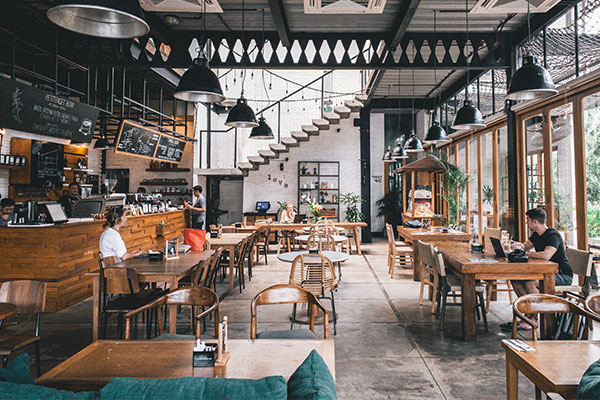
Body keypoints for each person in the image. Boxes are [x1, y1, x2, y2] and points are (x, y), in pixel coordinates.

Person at [501, 207, 573, 332]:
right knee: (516, 279)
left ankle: (533, 318)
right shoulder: (536, 234)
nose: (526, 223)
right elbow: (525, 246)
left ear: (535, 222)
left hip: (561, 275)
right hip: (544, 272)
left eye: (527, 220)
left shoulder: (553, 235)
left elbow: (546, 255)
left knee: (531, 282)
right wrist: (518, 246)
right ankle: (528, 314)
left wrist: (525, 253)